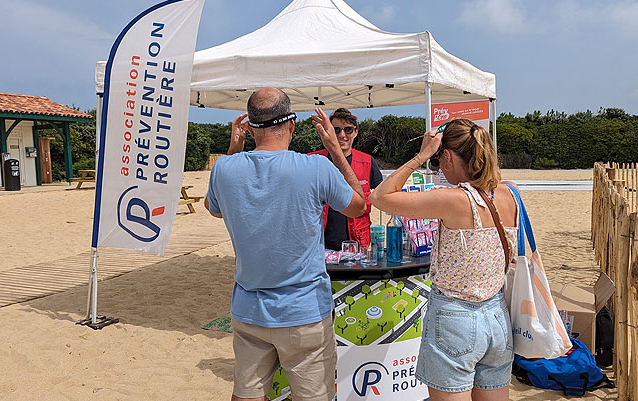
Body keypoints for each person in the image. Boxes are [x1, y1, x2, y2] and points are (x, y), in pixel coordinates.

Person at [204, 87, 366, 401]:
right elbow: (358, 204)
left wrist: (234, 147)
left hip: (248, 309)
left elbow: (215, 208)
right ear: (291, 125)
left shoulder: (224, 168)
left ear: (250, 128)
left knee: (247, 395)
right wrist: (334, 149)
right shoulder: (315, 168)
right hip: (303, 310)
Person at [369, 118, 518, 401]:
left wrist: (422, 155)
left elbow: (380, 196)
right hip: (497, 314)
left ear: (447, 156)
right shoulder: (508, 194)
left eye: (439, 160)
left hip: (455, 317)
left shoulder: (453, 199)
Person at [308, 108, 382, 251]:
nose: (342, 135)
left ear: (355, 132)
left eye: (348, 130)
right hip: (319, 245)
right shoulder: (313, 160)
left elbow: (383, 195)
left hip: (357, 243)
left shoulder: (367, 161)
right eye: (336, 130)